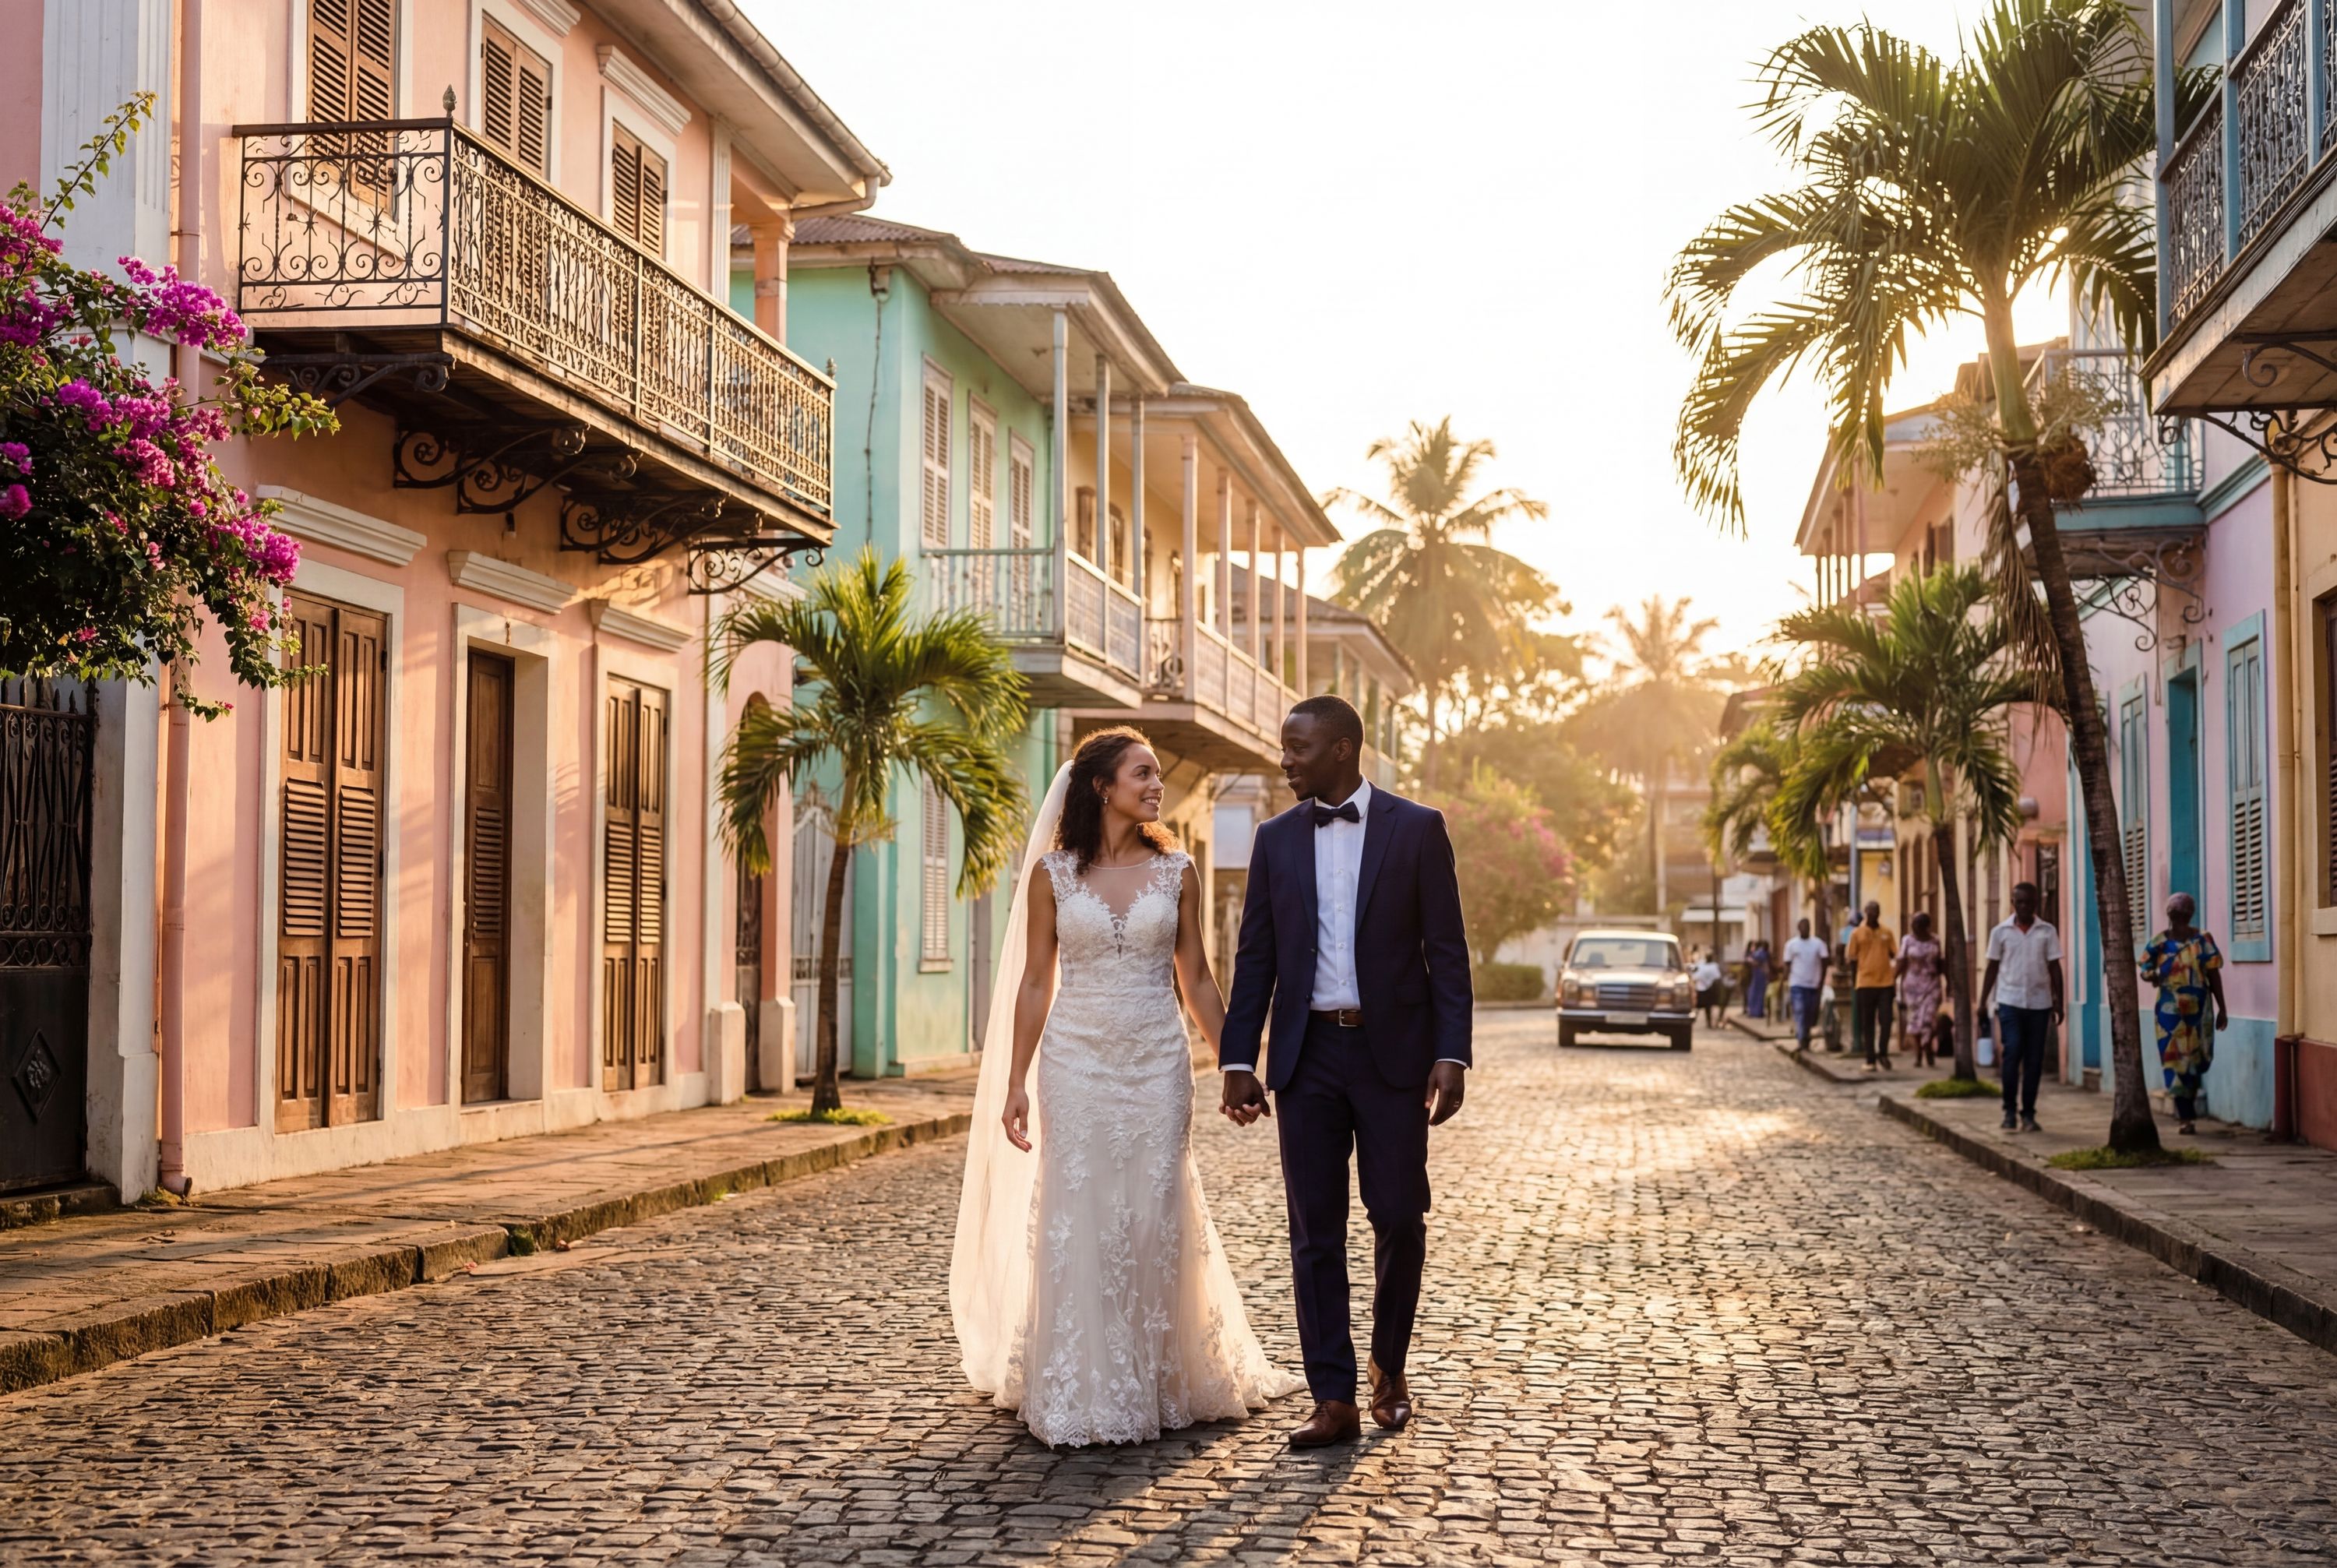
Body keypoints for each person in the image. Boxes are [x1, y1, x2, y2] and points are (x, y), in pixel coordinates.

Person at [950, 727, 1299, 1448]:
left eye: (1156, 776)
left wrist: (1236, 1061)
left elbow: (1197, 977)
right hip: (1073, 1063)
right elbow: (1036, 980)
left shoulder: (1178, 872)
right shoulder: (1053, 874)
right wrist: (1015, 1079)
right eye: (1142, 773)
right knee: (1079, 1210)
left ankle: (1158, 1374)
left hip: (1155, 1064)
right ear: (1102, 786)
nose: (1155, 785)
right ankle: (1079, 1378)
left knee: (1150, 1212)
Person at [1221, 694, 1472, 1449]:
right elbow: (1256, 956)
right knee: (1314, 1233)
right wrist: (1239, 1057)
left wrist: (1452, 1053)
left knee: (1400, 1213)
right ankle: (1333, 1399)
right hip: (1307, 1058)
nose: (1284, 759)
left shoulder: (1418, 830)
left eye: (1296, 747)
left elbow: (1448, 952)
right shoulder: (1274, 839)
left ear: (1340, 750)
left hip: (1392, 1056)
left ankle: (1388, 1370)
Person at [1979, 880, 2064, 1133]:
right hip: (2009, 1001)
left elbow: (2054, 968)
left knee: (2034, 1060)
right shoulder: (2000, 932)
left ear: (2036, 904)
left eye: (2029, 902)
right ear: (2013, 902)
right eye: (2020, 902)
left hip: (2039, 1004)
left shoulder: (2047, 931)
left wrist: (2059, 1000)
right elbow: (1992, 966)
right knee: (2013, 1051)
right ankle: (2009, 1111)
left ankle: (2028, 1113)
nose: (2025, 906)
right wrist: (1983, 1000)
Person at [2141, 893, 2227, 1136]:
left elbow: (2213, 974)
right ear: (2169, 915)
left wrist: (2223, 1007)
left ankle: (2188, 1111)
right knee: (2174, 1060)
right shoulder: (2159, 942)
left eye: (2183, 914)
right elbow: (2145, 969)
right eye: (2176, 914)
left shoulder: (2202, 940)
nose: (2179, 918)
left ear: (2190, 915)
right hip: (2169, 1012)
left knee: (2196, 1059)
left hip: (2199, 1011)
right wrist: (2154, 975)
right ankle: (2185, 1116)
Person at [1846, 901, 1898, 1072]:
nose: (1874, 914)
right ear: (1866, 913)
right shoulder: (1857, 933)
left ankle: (1883, 1052)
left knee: (1886, 1019)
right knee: (1868, 1023)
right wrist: (1855, 983)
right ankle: (1870, 1058)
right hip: (1865, 983)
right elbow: (1852, 960)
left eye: (1876, 911)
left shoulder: (1887, 932)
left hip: (1885, 983)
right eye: (1871, 911)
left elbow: (1894, 953)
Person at [1895, 911, 1944, 1069]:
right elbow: (1901, 962)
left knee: (1929, 1020)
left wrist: (1949, 981)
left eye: (1918, 925)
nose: (1915, 928)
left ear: (1926, 926)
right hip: (1912, 987)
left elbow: (1941, 963)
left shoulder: (1935, 940)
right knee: (1915, 1021)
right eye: (1913, 925)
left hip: (1932, 985)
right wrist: (1892, 981)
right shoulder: (1907, 941)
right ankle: (1919, 1053)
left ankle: (1928, 1046)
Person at [1782, 918, 1828, 1052]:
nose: (1805, 929)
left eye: (1807, 926)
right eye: (1802, 927)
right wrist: (1784, 981)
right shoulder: (1791, 945)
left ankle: (1805, 1036)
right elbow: (1787, 964)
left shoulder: (1818, 944)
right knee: (1800, 1010)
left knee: (1810, 1012)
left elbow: (1825, 962)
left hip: (1813, 984)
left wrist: (1821, 981)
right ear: (1798, 928)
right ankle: (1801, 1039)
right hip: (1797, 983)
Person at [1692, 950, 1726, 1027]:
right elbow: (1717, 977)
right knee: (1702, 1007)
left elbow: (1696, 976)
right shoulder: (1702, 965)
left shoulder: (1711, 966)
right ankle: (1695, 1022)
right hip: (1704, 989)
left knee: (1705, 1007)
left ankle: (1707, 1023)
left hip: (1706, 989)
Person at [1743, 940, 1773, 1020]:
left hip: (1758, 976)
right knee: (1757, 994)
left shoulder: (1758, 953)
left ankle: (1756, 1011)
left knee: (1756, 994)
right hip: (1759, 976)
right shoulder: (1761, 953)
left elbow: (1749, 959)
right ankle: (1756, 1012)